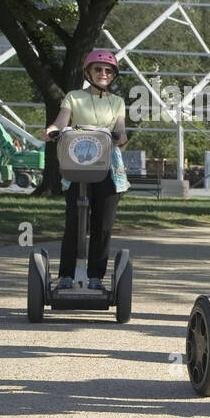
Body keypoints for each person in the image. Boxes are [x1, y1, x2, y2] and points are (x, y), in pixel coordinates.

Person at [44, 49, 130, 289]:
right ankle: (66, 276)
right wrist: (52, 129)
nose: (103, 73)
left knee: (103, 224)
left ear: (113, 75)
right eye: (98, 69)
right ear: (88, 72)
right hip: (77, 163)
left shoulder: (117, 102)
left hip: (108, 168)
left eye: (108, 70)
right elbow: (62, 121)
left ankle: (95, 277)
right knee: (75, 221)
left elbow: (120, 128)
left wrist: (121, 136)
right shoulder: (73, 97)